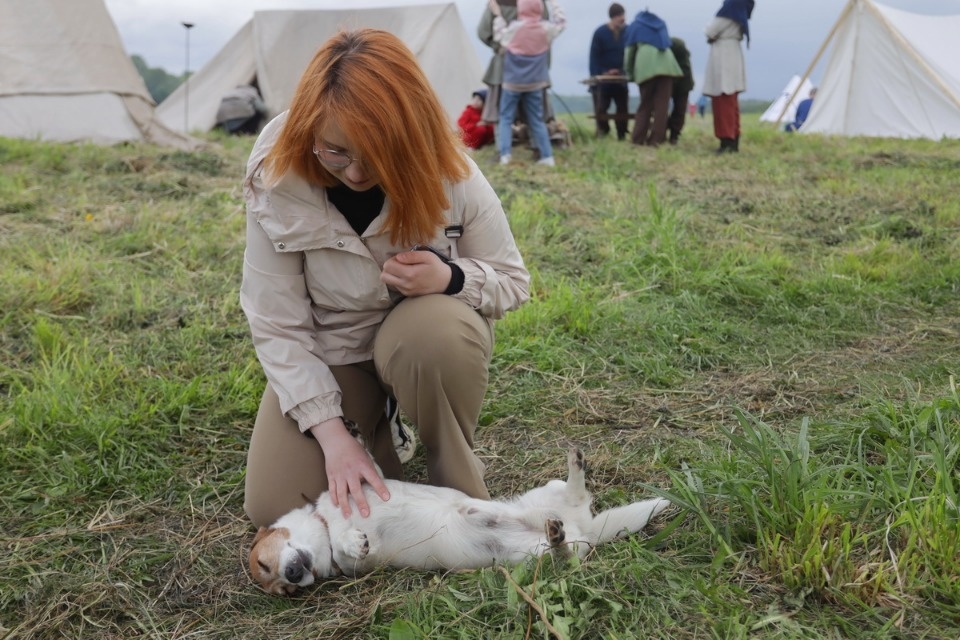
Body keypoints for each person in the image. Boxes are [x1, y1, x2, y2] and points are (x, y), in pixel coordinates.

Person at [240, 29, 531, 529]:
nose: (354, 173)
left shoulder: (450, 169)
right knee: (277, 505)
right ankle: (378, 431)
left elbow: (512, 281)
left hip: (416, 340)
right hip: (337, 349)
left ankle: (454, 478)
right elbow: (276, 322)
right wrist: (332, 436)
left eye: (376, 155)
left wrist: (451, 277)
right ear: (309, 129)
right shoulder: (276, 173)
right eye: (335, 152)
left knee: (435, 334)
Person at [490, 0, 566, 166]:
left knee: (505, 118)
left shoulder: (515, 28)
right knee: (536, 120)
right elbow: (561, 23)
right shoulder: (545, 29)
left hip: (512, 82)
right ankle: (547, 156)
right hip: (535, 82)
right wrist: (554, 4)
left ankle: (505, 154)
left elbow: (499, 34)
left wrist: (497, 13)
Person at [477, 0, 554, 126]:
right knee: (535, 115)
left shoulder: (497, 3)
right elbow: (544, 31)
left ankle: (504, 145)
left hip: (504, 65)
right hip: (534, 65)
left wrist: (499, 46)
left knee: (502, 116)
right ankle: (535, 143)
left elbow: (483, 32)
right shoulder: (538, 2)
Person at [624, 10, 683, 147]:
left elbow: (629, 52)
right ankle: (656, 140)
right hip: (667, 65)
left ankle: (638, 139)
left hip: (646, 64)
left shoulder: (635, 26)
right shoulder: (662, 25)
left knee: (645, 104)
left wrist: (630, 74)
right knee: (662, 105)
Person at [703, 0, 754, 153]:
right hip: (733, 52)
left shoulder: (729, 11)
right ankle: (733, 139)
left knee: (724, 100)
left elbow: (709, 30)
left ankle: (727, 142)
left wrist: (713, 36)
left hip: (723, 55)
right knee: (731, 103)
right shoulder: (740, 12)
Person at [589, 3, 630, 141]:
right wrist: (602, 73)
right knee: (601, 108)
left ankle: (622, 134)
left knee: (622, 109)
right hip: (603, 80)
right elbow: (594, 57)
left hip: (621, 79)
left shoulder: (628, 32)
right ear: (613, 17)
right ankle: (603, 131)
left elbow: (631, 55)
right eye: (619, 16)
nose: (622, 19)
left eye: (623, 16)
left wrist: (623, 71)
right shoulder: (600, 33)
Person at [667, 37, 694, 145]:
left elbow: (685, 70)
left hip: (683, 82)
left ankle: (674, 134)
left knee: (679, 109)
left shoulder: (678, 48)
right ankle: (670, 132)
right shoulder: (677, 48)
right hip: (670, 80)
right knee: (664, 108)